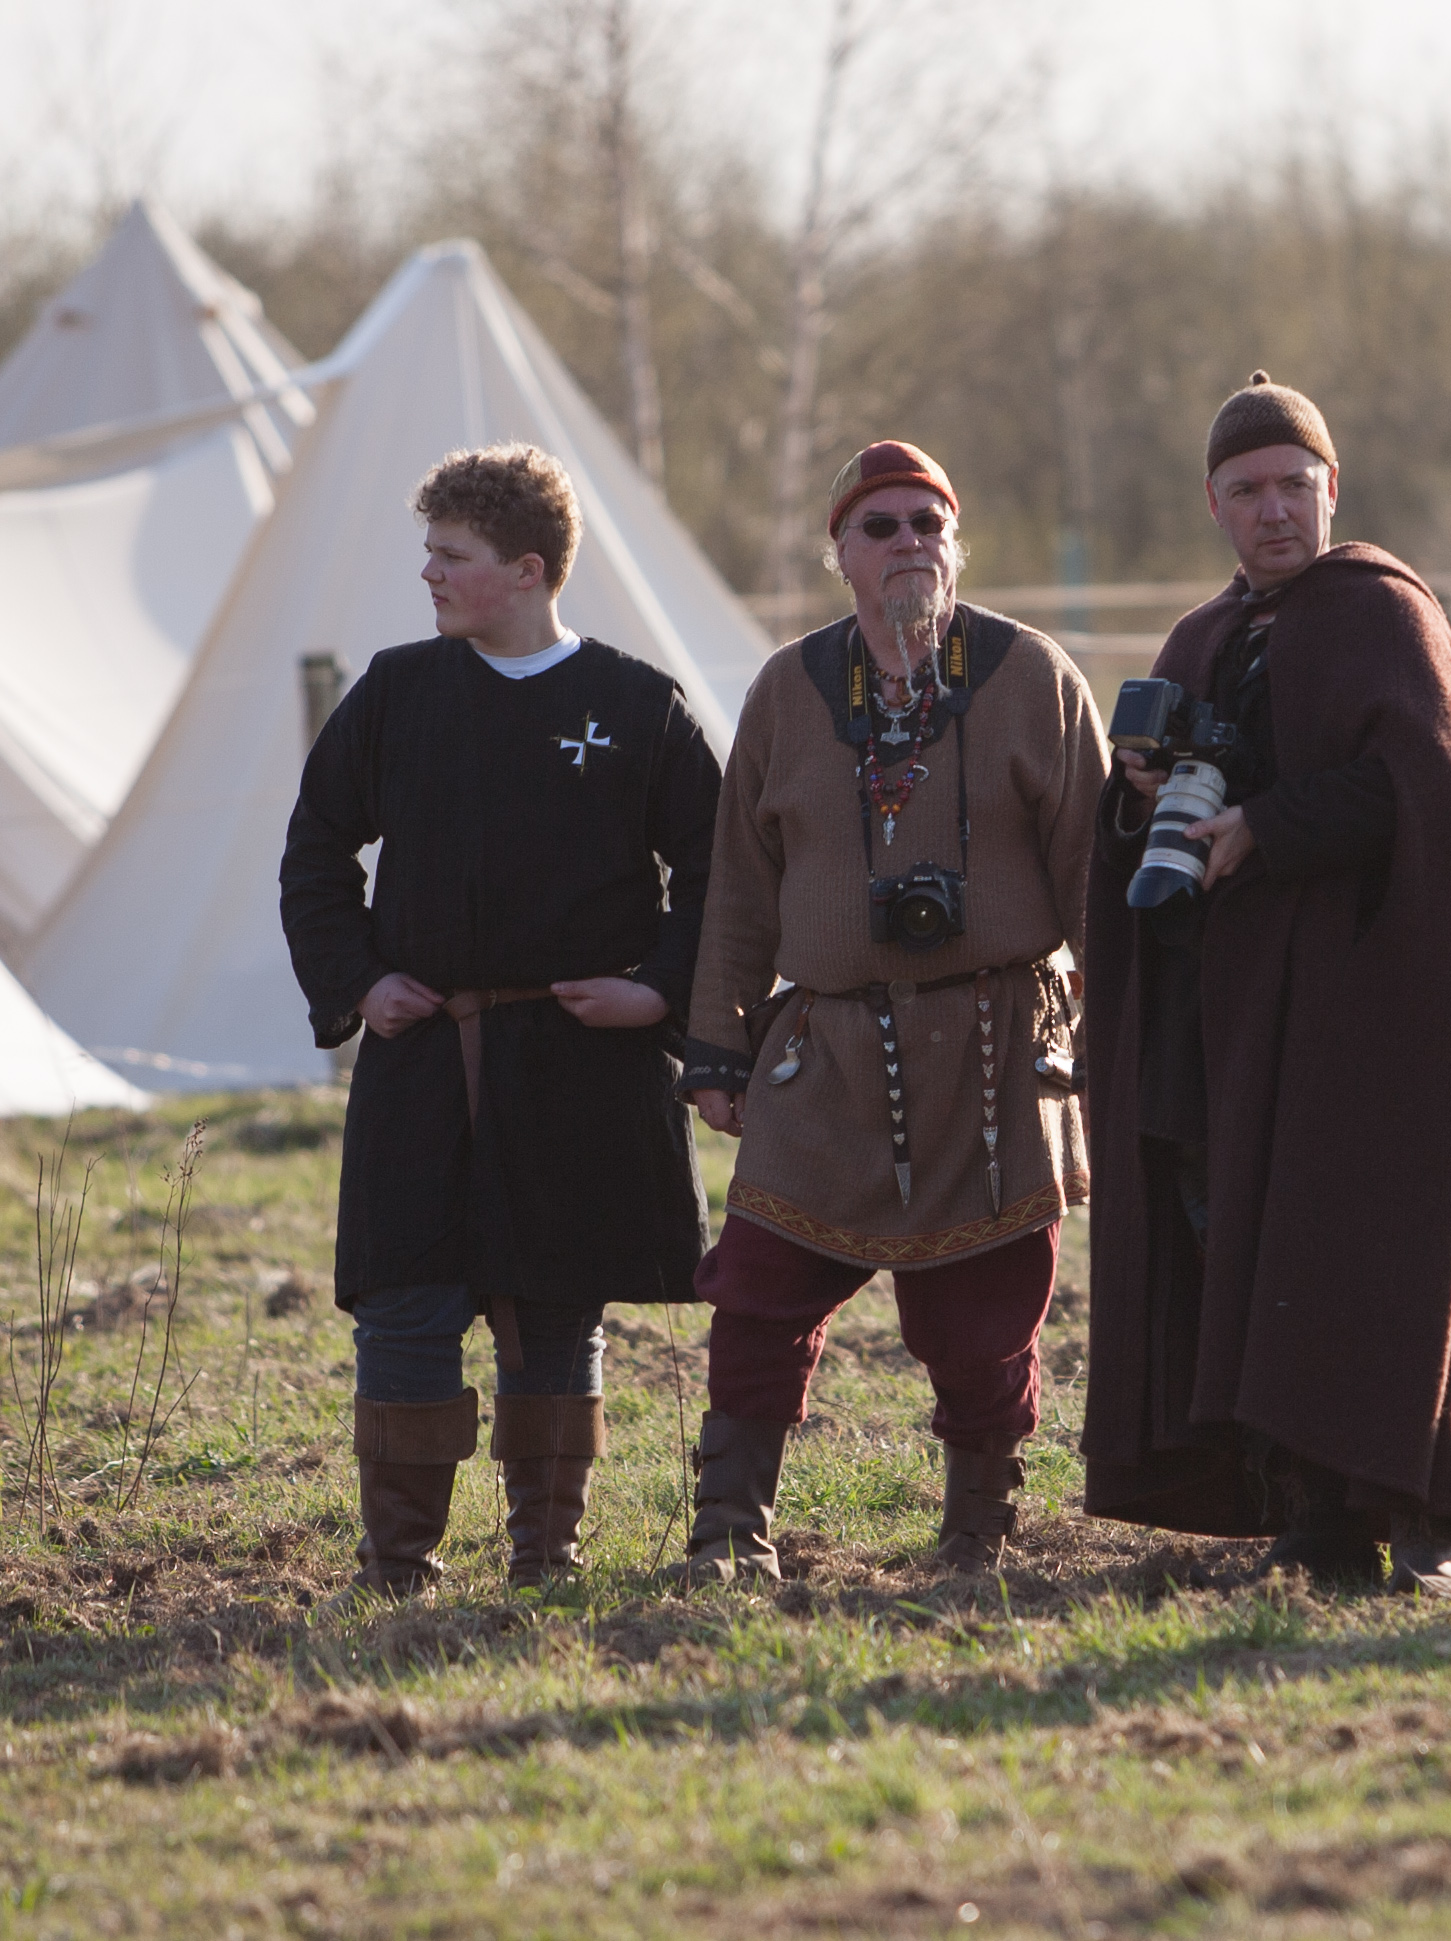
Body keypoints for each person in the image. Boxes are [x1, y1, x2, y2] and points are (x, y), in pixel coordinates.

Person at [1078, 373, 1451, 1599]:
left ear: (1331, 488)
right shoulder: (1199, 639)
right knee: (1251, 1254)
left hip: (1364, 1011)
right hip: (1229, 1018)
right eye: (1248, 490)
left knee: (1371, 1247)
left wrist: (1267, 826)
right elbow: (1141, 824)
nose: (1274, 510)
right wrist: (1138, 799)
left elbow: (1421, 793)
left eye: (1293, 486)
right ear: (1212, 505)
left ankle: (1414, 1512)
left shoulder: (1383, 615)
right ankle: (1314, 1517)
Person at [280, 443, 721, 1593]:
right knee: (406, 1307)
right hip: (423, 1055)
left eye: (452, 554)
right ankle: (397, 1565)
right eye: (428, 550)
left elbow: (720, 871)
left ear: (527, 571)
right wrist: (360, 982)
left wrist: (658, 991)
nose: (427, 573)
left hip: (581, 1061)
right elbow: (316, 853)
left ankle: (546, 1556)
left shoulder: (637, 704)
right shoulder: (396, 694)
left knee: (558, 1310)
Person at [674, 440, 1105, 1582]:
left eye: (929, 522)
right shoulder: (788, 690)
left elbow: (1093, 877)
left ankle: (975, 1536)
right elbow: (739, 885)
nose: (908, 542)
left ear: (955, 544)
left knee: (983, 1322)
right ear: (841, 554)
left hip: (995, 1049)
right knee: (757, 1292)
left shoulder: (1031, 676)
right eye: (881, 526)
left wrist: (1117, 1036)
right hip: (823, 1049)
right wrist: (717, 1042)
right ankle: (729, 1533)